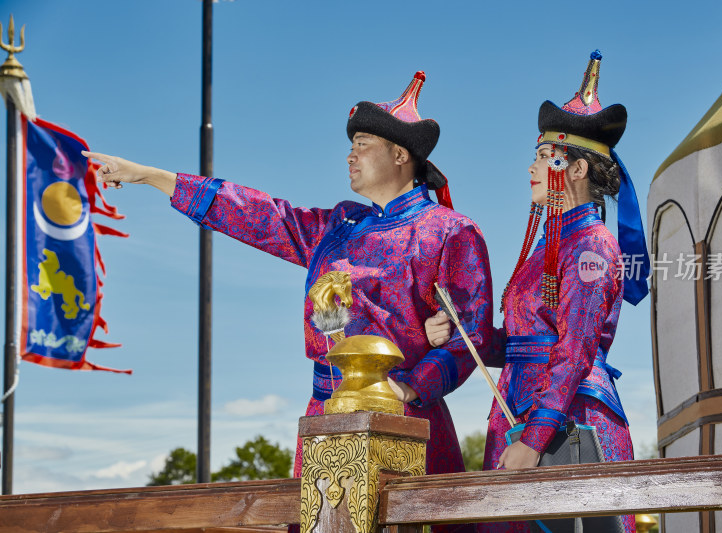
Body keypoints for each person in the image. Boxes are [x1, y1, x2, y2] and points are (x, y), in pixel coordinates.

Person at [85, 71, 494, 485]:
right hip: (326, 415)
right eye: (350, 147)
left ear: (400, 154)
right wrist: (151, 176)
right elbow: (260, 214)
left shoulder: (450, 231)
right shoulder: (339, 225)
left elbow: (468, 336)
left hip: (405, 416)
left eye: (362, 145)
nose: (349, 156)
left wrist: (408, 389)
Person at [425, 51, 650, 533]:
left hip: (568, 425)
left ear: (576, 170)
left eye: (544, 157)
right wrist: (463, 333)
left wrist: (535, 437)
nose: (530, 166)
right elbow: (521, 344)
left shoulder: (592, 247)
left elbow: (574, 350)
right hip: (517, 415)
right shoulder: (549, 246)